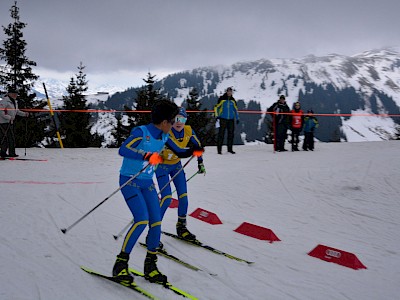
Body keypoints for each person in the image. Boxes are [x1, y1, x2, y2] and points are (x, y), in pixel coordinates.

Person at [113, 100, 203, 285]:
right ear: (164, 122)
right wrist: (146, 156)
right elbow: (123, 149)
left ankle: (150, 266)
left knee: (156, 222)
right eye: (172, 121)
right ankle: (120, 265)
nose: (174, 125)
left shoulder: (164, 135)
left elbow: (179, 151)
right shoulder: (142, 132)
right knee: (142, 220)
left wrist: (195, 150)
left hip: (147, 183)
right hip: (130, 181)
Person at [155, 107, 205, 244]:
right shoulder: (166, 131)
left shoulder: (188, 131)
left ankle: (181, 227)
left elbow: (198, 145)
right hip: (162, 167)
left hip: (176, 166)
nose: (179, 122)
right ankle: (153, 233)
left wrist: (200, 162)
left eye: (182, 119)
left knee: (183, 197)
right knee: (166, 198)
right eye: (176, 119)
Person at [0, 89, 29, 158]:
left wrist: (24, 114)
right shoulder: (4, 101)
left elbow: (16, 111)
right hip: (3, 122)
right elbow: (1, 112)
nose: (15, 95)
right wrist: (9, 117)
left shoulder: (14, 102)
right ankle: (5, 153)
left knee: (9, 138)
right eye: (13, 93)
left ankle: (8, 153)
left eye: (16, 94)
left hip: (10, 122)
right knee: (6, 138)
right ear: (9, 94)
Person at [214, 87, 240, 154]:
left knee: (231, 135)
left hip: (231, 119)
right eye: (228, 91)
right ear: (226, 92)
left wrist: (237, 118)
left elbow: (235, 110)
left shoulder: (233, 100)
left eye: (230, 92)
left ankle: (230, 149)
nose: (229, 93)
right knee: (221, 135)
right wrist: (217, 116)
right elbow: (216, 107)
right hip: (223, 119)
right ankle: (219, 150)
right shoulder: (222, 99)